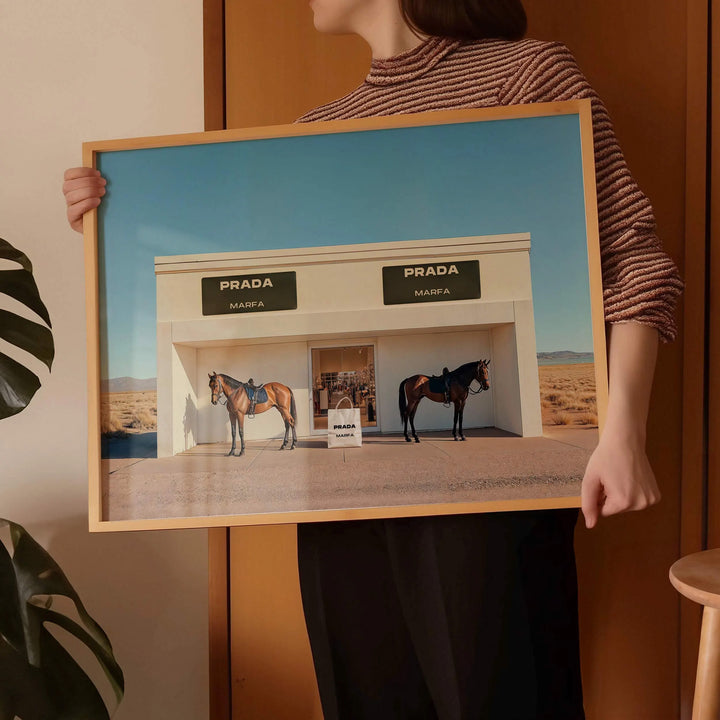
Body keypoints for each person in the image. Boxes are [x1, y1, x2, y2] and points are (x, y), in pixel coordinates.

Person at [63, 1, 682, 717]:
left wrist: (623, 434)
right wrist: (118, 209)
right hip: (336, 515)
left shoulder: (527, 73)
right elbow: (222, 273)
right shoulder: (316, 134)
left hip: (487, 516)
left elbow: (636, 260)